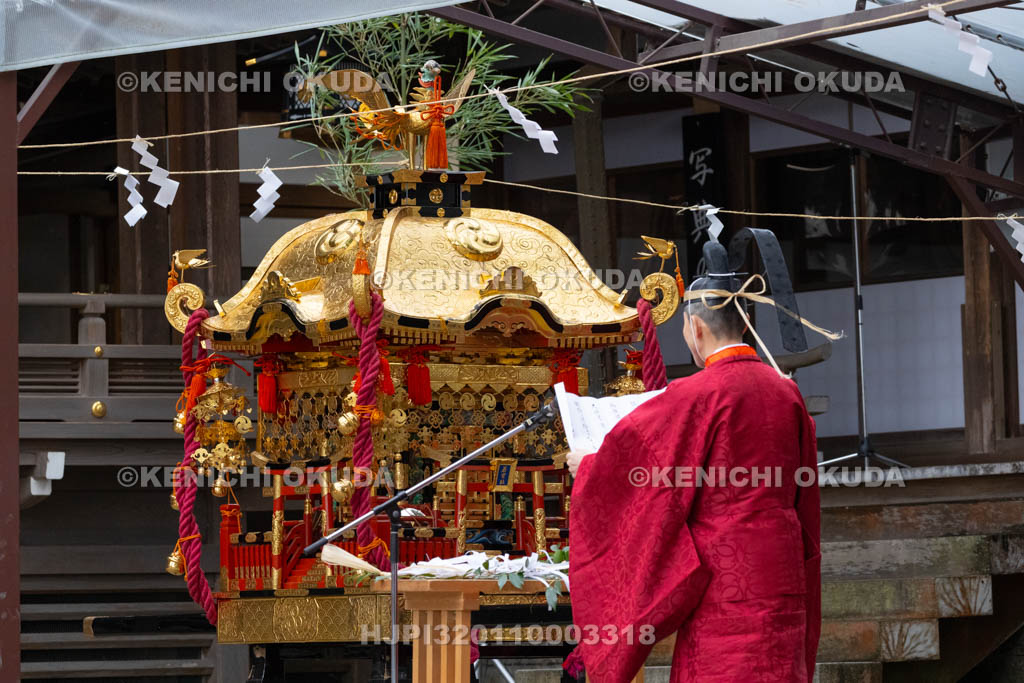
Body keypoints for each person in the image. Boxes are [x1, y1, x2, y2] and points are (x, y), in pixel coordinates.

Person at [565, 240, 821, 682]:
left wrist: (588, 466)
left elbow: (641, 471)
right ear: (742, 321)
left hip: (726, 572)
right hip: (782, 565)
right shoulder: (786, 392)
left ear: (696, 328)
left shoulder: (696, 395)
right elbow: (805, 492)